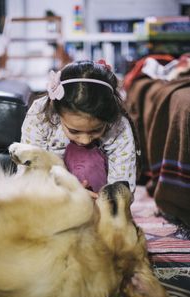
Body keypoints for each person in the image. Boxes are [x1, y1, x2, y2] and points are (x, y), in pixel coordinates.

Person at [20, 59, 140, 198]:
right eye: (74, 131)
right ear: (56, 112)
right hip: (50, 192)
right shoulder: (40, 114)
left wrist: (107, 202)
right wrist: (66, 192)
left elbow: (123, 186)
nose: (85, 140)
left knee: (85, 158)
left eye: (95, 130)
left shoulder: (118, 125)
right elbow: (28, 171)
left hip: (97, 197)